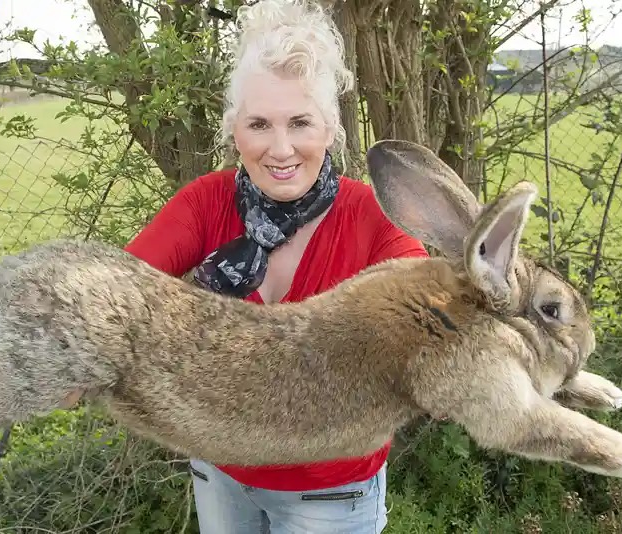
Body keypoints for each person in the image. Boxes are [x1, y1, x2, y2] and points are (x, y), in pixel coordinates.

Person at [123, 0, 428, 531]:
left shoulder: (377, 222)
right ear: (234, 130)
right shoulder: (205, 204)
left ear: (331, 129)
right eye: (260, 123)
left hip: (331, 494)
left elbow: (421, 341)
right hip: (220, 471)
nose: (280, 149)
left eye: (301, 123)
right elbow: (110, 294)